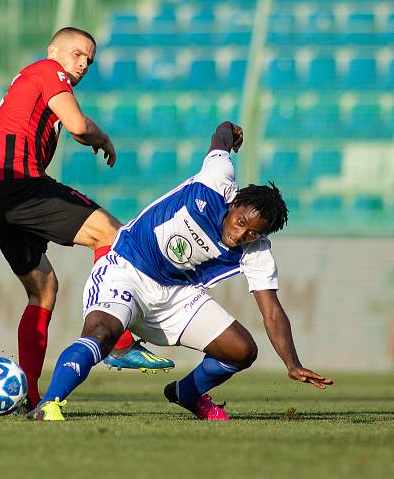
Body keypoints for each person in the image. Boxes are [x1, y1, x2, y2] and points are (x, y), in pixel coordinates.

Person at [0, 27, 173, 410]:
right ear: (54, 50)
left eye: (89, 60)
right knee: (115, 235)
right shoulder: (48, 72)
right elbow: (80, 126)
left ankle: (31, 397)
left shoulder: (20, 101)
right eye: (77, 54)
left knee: (43, 291)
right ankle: (115, 340)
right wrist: (102, 137)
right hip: (21, 186)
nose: (82, 64)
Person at [27, 121, 333, 422]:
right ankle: (49, 404)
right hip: (127, 268)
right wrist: (231, 130)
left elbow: (272, 313)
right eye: (241, 222)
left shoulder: (257, 252)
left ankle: (187, 393)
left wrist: (292, 363)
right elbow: (221, 138)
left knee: (241, 350)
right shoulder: (216, 180)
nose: (242, 235)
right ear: (235, 202)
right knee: (101, 333)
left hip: (175, 295)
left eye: (254, 233)